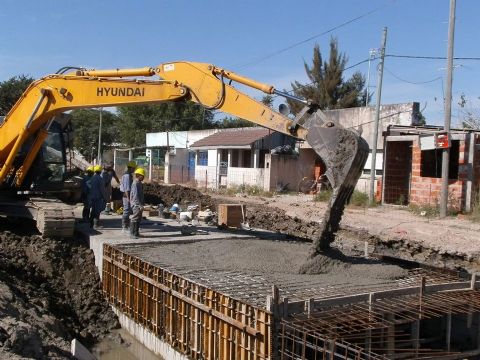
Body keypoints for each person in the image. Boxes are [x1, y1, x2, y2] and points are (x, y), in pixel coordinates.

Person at [119, 160, 137, 232]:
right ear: (131, 168)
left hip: (128, 196)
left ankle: (126, 225)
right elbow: (126, 188)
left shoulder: (129, 175)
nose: (134, 169)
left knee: (128, 210)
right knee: (126, 211)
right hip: (127, 196)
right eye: (134, 168)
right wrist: (129, 198)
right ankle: (124, 226)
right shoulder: (127, 176)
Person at [89, 165, 108, 229]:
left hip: (92, 197)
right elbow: (102, 189)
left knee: (93, 210)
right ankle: (95, 225)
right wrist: (105, 198)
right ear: (100, 171)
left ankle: (91, 224)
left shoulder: (92, 178)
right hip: (98, 197)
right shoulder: (100, 179)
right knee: (97, 211)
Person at [130, 167, 145, 239]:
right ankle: (132, 233)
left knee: (138, 218)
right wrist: (140, 205)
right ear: (138, 175)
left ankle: (136, 232)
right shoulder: (135, 183)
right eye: (142, 176)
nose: (143, 177)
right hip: (136, 204)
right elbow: (135, 196)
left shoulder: (139, 183)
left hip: (139, 204)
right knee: (135, 218)